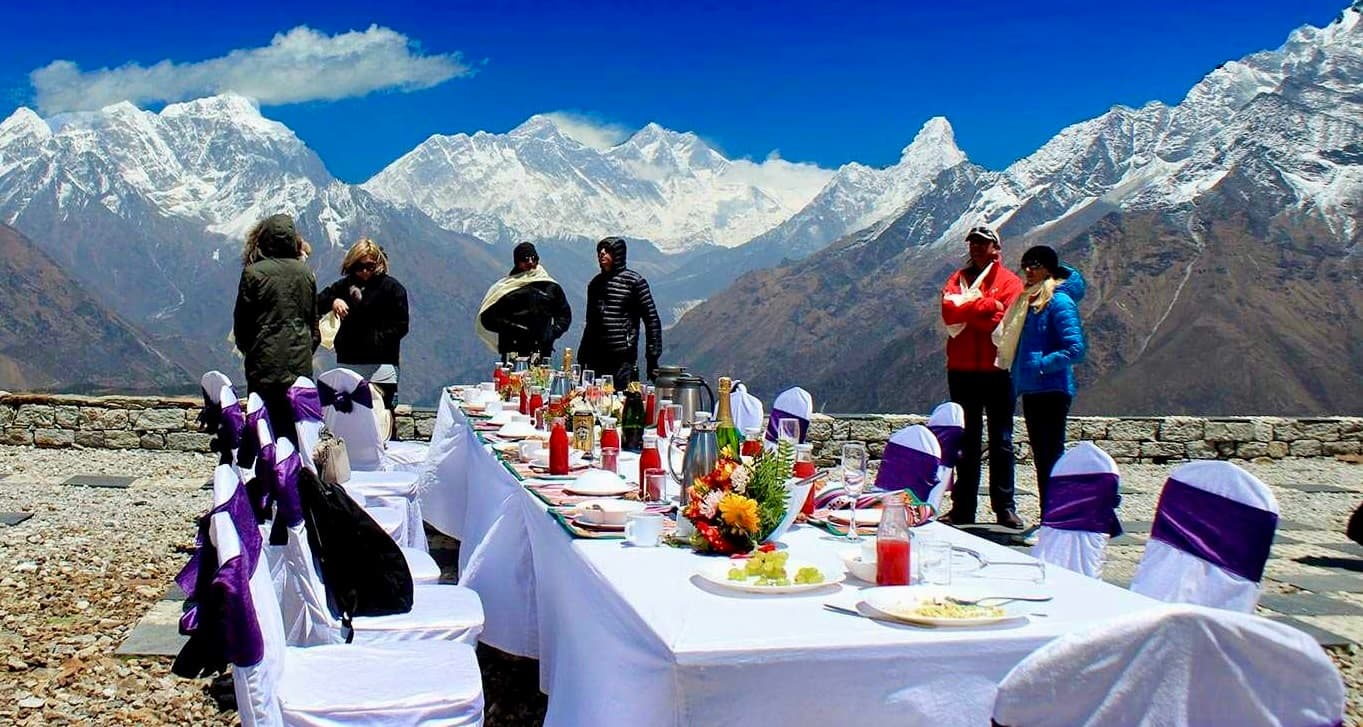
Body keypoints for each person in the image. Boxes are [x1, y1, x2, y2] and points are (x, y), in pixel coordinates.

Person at [939, 225, 1025, 529]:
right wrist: (988, 305)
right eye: (973, 242)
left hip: (997, 370)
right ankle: (963, 507)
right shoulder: (957, 279)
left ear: (995, 248)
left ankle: (1005, 507)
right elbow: (949, 312)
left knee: (1001, 440)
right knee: (966, 441)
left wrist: (968, 310)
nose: (976, 247)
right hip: (962, 369)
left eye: (983, 243)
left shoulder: (1011, 282)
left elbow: (1004, 321)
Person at [994, 245, 1086, 517]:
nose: (1029, 270)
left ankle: (1056, 516)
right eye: (1025, 265)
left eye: (1034, 264)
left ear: (1049, 268)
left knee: (1051, 457)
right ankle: (1050, 515)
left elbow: (1075, 348)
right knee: (1042, 457)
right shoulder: (1030, 300)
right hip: (1033, 389)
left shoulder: (1059, 301)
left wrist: (1040, 365)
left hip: (1053, 389)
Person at [233, 214, 319, 442]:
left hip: (263, 363)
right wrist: (306, 349)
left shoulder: (253, 273)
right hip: (299, 363)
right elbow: (313, 321)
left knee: (264, 423)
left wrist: (251, 350)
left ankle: (266, 472)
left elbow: (242, 323)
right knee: (296, 426)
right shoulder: (305, 273)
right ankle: (297, 472)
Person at [317, 239, 410, 418]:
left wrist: (376, 340)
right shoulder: (343, 287)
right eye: (359, 266)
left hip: (382, 364)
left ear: (378, 263)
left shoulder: (393, 288)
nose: (365, 271)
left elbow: (401, 326)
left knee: (381, 415)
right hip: (349, 361)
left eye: (370, 266)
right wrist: (333, 301)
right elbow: (317, 303)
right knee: (348, 416)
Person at [578, 236, 662, 387]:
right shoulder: (595, 284)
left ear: (618, 254)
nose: (602, 253)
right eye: (600, 251)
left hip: (622, 357)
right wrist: (582, 355)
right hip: (595, 356)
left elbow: (652, 320)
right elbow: (590, 322)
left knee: (621, 400)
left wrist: (652, 358)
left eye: (607, 250)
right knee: (594, 400)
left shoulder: (635, 282)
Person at [475, 242, 572, 363]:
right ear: (517, 261)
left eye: (534, 258)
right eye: (526, 259)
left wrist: (551, 333)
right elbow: (487, 318)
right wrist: (514, 329)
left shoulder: (550, 286)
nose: (530, 262)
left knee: (540, 381)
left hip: (541, 351)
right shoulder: (507, 288)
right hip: (513, 350)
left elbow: (564, 315)